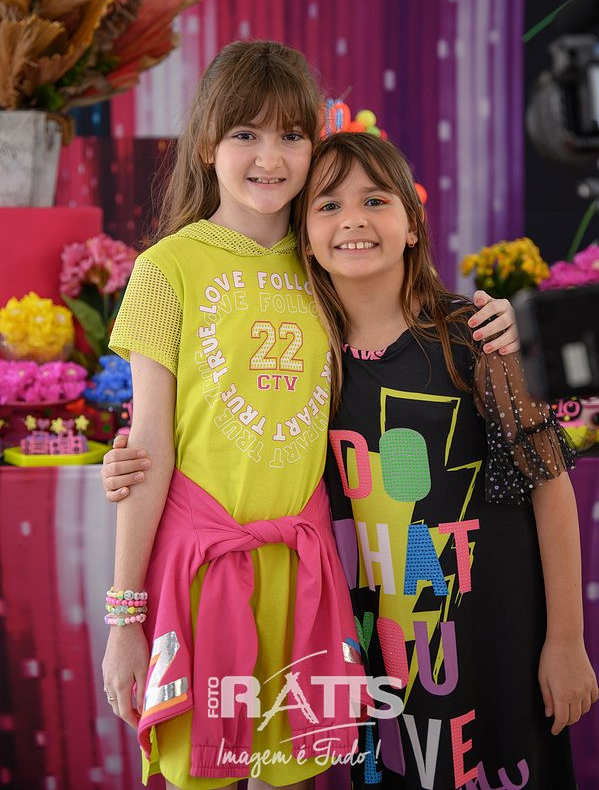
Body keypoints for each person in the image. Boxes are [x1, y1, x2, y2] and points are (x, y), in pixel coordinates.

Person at [100, 40, 521, 790]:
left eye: (291, 135)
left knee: (289, 775)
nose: (270, 157)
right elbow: (150, 448)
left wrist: (495, 323)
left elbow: (405, 318)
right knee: (204, 773)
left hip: (304, 570)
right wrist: (125, 619)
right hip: (200, 573)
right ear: (206, 144)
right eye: (245, 133)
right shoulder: (166, 268)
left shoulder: (322, 258)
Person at [293, 132, 598, 788]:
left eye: (375, 200)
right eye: (328, 205)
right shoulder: (303, 362)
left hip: (498, 642)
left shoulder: (476, 336)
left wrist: (566, 642)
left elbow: (550, 487)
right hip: (377, 659)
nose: (352, 219)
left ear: (412, 224)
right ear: (304, 239)